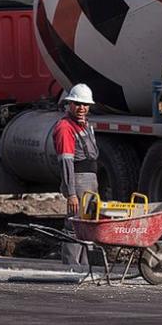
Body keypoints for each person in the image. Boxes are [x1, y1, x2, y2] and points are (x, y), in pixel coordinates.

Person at [54, 83, 99, 266]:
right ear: (70, 104)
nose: (82, 108)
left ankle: (84, 267)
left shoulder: (84, 125)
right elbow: (66, 162)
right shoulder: (65, 128)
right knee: (74, 225)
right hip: (79, 182)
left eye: (85, 105)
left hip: (90, 182)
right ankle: (71, 266)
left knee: (88, 225)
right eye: (78, 104)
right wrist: (71, 193)